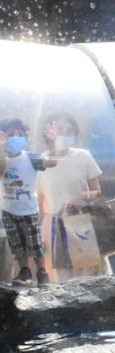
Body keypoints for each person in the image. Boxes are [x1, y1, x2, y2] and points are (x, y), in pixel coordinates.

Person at [36, 110, 107, 280]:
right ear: (48, 130)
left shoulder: (83, 156)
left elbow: (97, 191)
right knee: (59, 277)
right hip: (52, 223)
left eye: (70, 131)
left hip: (80, 220)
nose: (64, 134)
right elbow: (39, 200)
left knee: (87, 275)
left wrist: (81, 198)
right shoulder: (40, 162)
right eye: (59, 129)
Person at [1, 117, 53, 285]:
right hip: (9, 209)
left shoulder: (30, 157)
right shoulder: (3, 158)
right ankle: (24, 271)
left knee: (35, 243)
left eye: (20, 134)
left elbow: (47, 163)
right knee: (16, 243)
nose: (15, 137)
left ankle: (42, 272)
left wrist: (52, 149)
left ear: (26, 137)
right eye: (11, 134)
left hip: (28, 210)